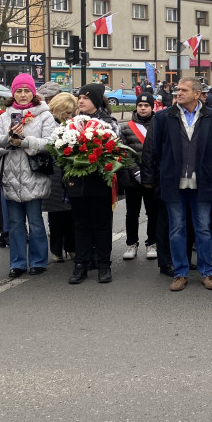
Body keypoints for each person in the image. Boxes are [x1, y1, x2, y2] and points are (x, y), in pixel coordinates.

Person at [143, 78, 212, 292]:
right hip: (174, 182)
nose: (178, 93)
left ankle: (207, 272)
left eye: (184, 90)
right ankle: (180, 273)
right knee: (177, 228)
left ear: (197, 94)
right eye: (177, 89)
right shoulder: (163, 117)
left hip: (202, 182)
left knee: (203, 229)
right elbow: (156, 149)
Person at [0, 74, 57, 278]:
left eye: (27, 90)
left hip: (33, 176)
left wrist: (25, 142)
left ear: (33, 93)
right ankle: (17, 263)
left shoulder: (44, 115)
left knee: (35, 221)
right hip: (10, 177)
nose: (23, 95)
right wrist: (7, 140)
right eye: (19, 91)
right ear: (13, 93)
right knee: (15, 224)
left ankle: (38, 261)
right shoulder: (4, 116)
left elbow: (51, 143)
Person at [64, 85, 122, 284]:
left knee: (102, 225)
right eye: (79, 97)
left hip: (100, 181)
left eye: (85, 98)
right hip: (77, 182)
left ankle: (104, 265)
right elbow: (63, 147)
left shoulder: (108, 123)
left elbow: (115, 150)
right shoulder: (72, 123)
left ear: (96, 101)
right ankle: (81, 264)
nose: (80, 101)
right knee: (80, 225)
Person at [119, 93, 159, 261]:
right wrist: (135, 171)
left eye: (146, 106)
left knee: (153, 212)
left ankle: (152, 243)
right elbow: (124, 152)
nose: (143, 108)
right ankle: (131, 243)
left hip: (153, 177)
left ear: (152, 107)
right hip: (132, 177)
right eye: (140, 105)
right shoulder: (126, 127)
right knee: (132, 212)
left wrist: (151, 173)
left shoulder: (159, 125)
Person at [44, 92, 77, 263]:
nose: (69, 116)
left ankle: (71, 247)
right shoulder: (49, 123)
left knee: (70, 213)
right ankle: (56, 250)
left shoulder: (73, 124)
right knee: (55, 213)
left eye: (71, 112)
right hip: (54, 172)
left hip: (69, 170)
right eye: (67, 112)